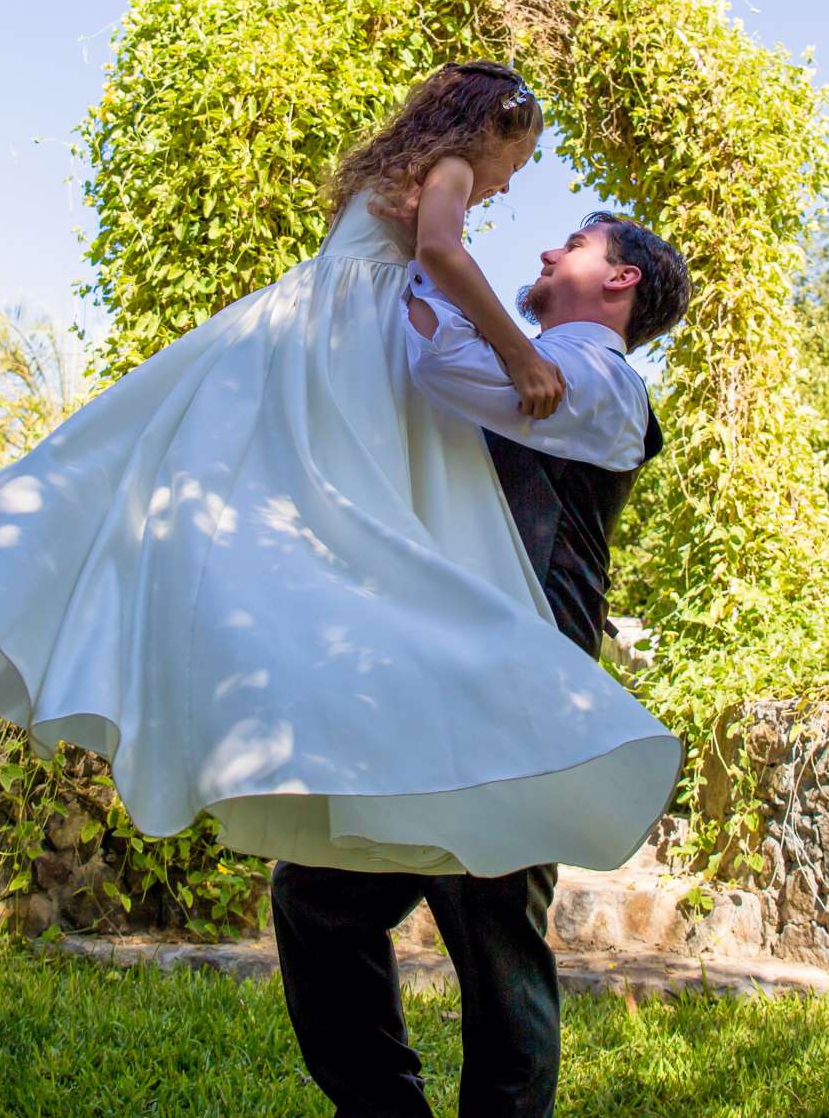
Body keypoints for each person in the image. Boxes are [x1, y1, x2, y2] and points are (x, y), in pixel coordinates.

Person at [0, 61, 685, 878]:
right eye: (513, 165)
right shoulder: (448, 170)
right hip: (344, 351)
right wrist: (520, 357)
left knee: (229, 516)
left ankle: (24, 611)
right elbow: (442, 257)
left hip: (305, 331)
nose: (502, 186)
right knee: (349, 525)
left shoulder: (404, 173)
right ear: (487, 130)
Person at [270, 210, 693, 1118]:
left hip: (514, 707)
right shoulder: (527, 369)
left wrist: (428, 248)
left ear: (620, 283)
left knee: (497, 953)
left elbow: (441, 360)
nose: (546, 252)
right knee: (316, 901)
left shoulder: (600, 381)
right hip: (423, 695)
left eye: (574, 246)